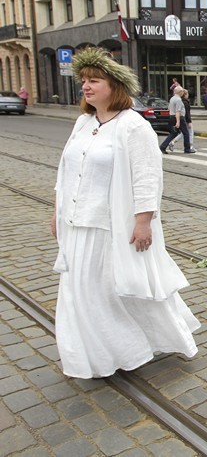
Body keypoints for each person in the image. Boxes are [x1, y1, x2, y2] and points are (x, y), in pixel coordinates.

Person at [52, 47, 199, 379]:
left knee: (107, 293)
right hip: (77, 223)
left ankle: (125, 349)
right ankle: (93, 355)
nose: (86, 87)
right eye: (84, 81)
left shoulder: (133, 126)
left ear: (114, 87)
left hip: (109, 226)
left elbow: (148, 175)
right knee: (79, 295)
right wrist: (57, 211)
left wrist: (143, 221)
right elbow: (66, 169)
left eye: (94, 81)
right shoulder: (83, 122)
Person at [159, 86, 194, 154]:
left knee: (173, 133)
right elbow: (178, 111)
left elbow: (169, 108)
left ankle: (163, 146)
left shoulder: (172, 98)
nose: (183, 93)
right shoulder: (178, 100)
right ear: (179, 92)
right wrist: (178, 122)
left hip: (172, 116)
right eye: (182, 91)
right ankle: (187, 149)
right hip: (179, 117)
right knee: (186, 133)